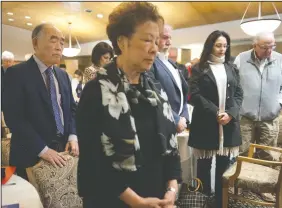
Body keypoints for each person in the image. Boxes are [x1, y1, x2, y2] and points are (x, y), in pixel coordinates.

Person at [77, 2, 181, 208]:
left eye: (156, 41)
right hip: (112, 201)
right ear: (122, 42)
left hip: (156, 197)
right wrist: (137, 202)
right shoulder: (96, 92)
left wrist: (171, 189)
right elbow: (92, 162)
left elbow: (171, 146)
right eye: (146, 40)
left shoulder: (156, 90)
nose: (155, 48)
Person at [2, 23, 79, 179]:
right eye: (53, 40)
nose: (59, 47)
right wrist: (42, 149)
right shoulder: (16, 74)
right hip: (30, 154)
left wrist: (72, 136)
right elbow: (15, 118)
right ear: (35, 43)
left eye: (62, 42)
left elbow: (71, 109)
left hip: (63, 150)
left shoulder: (63, 75)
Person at [188, 30, 243, 208]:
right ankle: (203, 202)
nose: (222, 49)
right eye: (218, 45)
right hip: (206, 123)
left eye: (225, 46)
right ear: (210, 45)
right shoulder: (198, 68)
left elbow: (238, 95)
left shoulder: (232, 67)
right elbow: (194, 95)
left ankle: (220, 203)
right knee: (203, 168)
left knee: (223, 169)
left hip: (228, 125)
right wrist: (215, 112)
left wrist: (231, 114)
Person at [234, 31, 282, 161]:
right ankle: (242, 181)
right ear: (254, 45)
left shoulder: (280, 60)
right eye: (264, 47)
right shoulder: (241, 58)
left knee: (268, 156)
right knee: (242, 153)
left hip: (270, 118)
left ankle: (265, 182)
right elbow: (233, 85)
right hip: (245, 118)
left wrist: (279, 103)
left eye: (272, 46)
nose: (269, 50)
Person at [149, 24, 189, 133]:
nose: (169, 42)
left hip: (179, 123)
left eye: (170, 38)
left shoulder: (172, 63)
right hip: (161, 126)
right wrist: (176, 119)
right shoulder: (150, 63)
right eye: (165, 37)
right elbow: (153, 96)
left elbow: (183, 92)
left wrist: (184, 117)